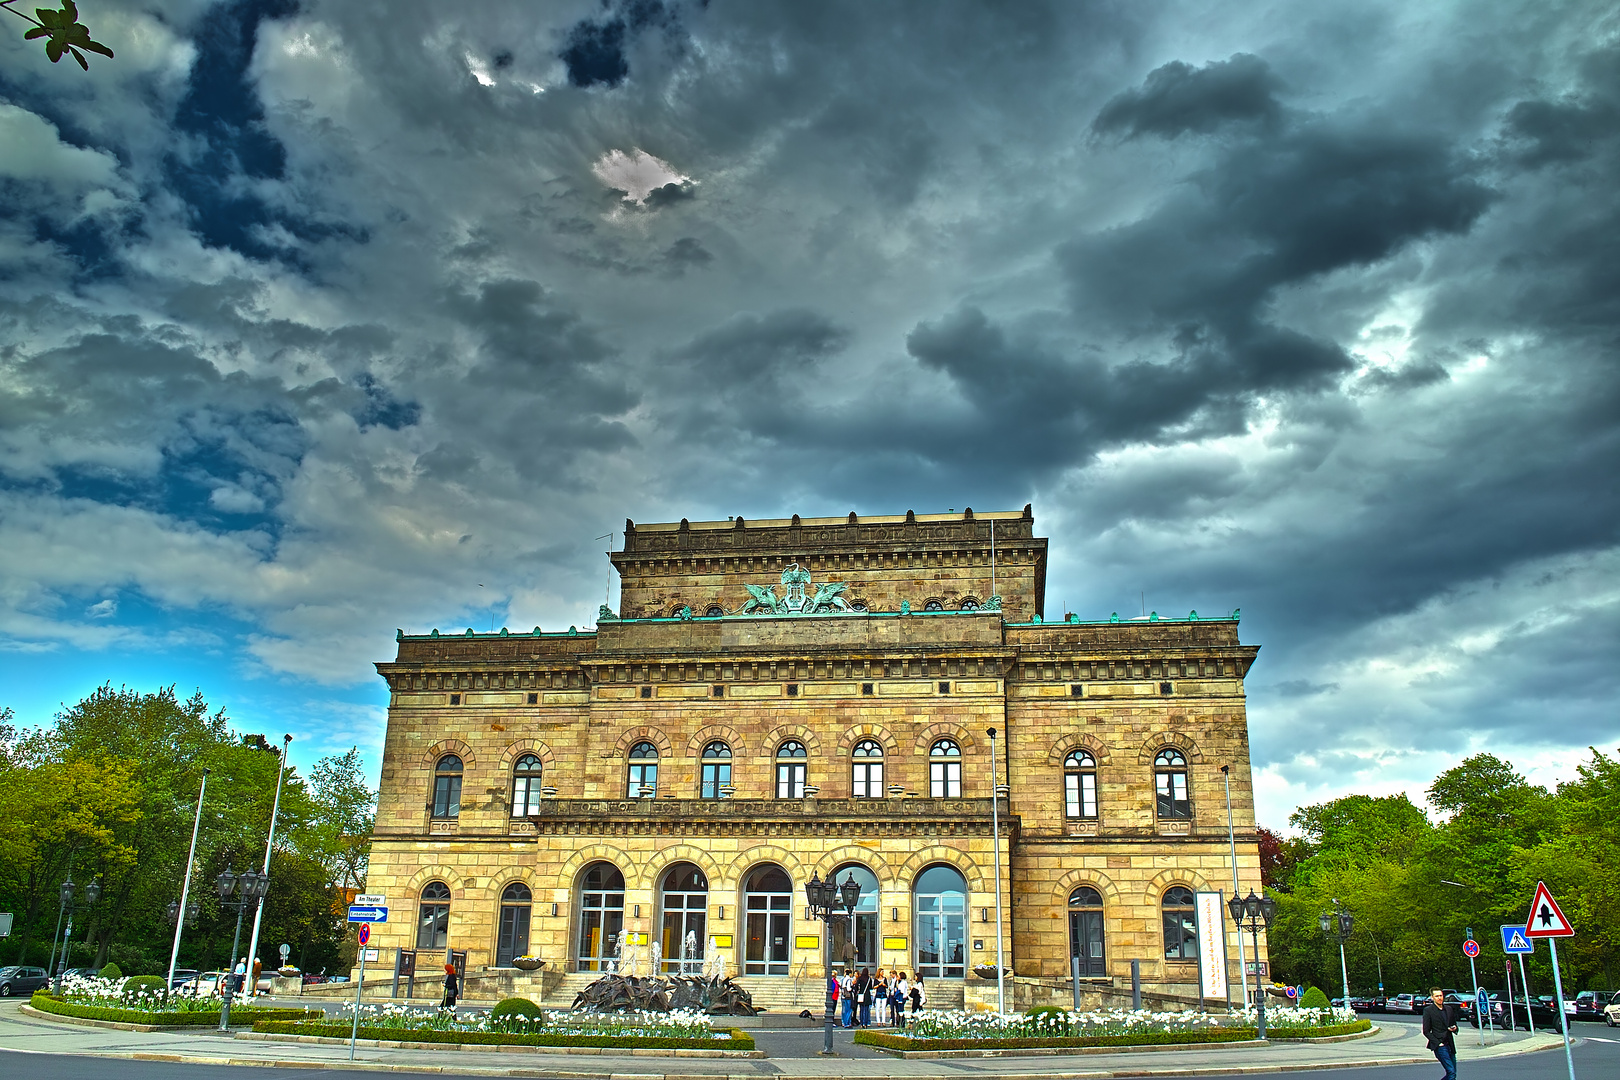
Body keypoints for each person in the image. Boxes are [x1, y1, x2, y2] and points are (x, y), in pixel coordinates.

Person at [1421, 986, 1459, 1080]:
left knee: (1453, 1073)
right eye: (1437, 996)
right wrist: (1438, 1043)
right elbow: (1426, 1031)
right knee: (1451, 1072)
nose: (1439, 998)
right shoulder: (1428, 1010)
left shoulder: (1449, 1009)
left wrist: (1454, 1029)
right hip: (1440, 1046)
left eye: (1441, 995)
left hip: (1450, 1044)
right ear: (1432, 997)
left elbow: (1453, 1024)